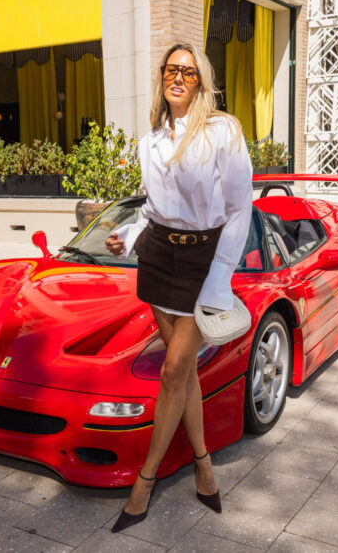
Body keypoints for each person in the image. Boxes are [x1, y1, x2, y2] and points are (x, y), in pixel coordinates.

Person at [104, 43, 253, 532]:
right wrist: (126, 236)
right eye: (172, 69)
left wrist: (218, 278)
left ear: (201, 81)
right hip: (158, 258)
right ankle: (204, 467)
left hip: (202, 260)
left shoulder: (222, 131)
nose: (179, 78)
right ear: (162, 77)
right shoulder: (150, 138)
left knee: (171, 372)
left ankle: (144, 482)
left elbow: (238, 209)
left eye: (189, 72)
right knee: (184, 372)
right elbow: (153, 207)